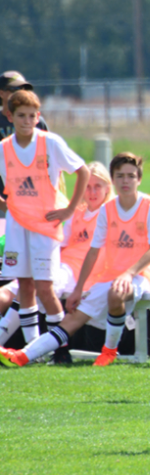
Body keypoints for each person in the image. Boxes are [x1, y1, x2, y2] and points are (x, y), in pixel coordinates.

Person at [0, 153, 150, 368]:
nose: (126, 181)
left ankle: (109, 351)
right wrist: (78, 289)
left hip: (141, 276)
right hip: (111, 277)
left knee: (115, 294)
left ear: (139, 179)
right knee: (73, 318)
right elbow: (93, 252)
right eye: (120, 176)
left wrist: (128, 274)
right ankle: (23, 356)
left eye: (131, 176)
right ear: (114, 180)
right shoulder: (107, 210)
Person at [0, 90, 89, 356]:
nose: (27, 121)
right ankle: (33, 351)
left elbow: (82, 171)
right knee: (24, 285)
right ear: (9, 116)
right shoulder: (4, 148)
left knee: (45, 288)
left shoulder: (50, 143)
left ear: (38, 116)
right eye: (21, 116)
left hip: (44, 226)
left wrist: (69, 209)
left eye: (32, 116)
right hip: (16, 225)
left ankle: (60, 350)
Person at [0, 161, 112, 357]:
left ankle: (31, 351)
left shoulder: (110, 214)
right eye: (87, 187)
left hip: (78, 274)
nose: (92, 192)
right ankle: (35, 351)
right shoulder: (76, 213)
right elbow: (60, 244)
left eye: (97, 186)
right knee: (7, 293)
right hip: (59, 266)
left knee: (31, 289)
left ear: (107, 188)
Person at [0, 72, 50, 210]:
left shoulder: (38, 123)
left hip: (34, 200)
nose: (21, 93)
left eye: (24, 89)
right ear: (1, 93)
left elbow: (49, 162)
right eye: (14, 89)